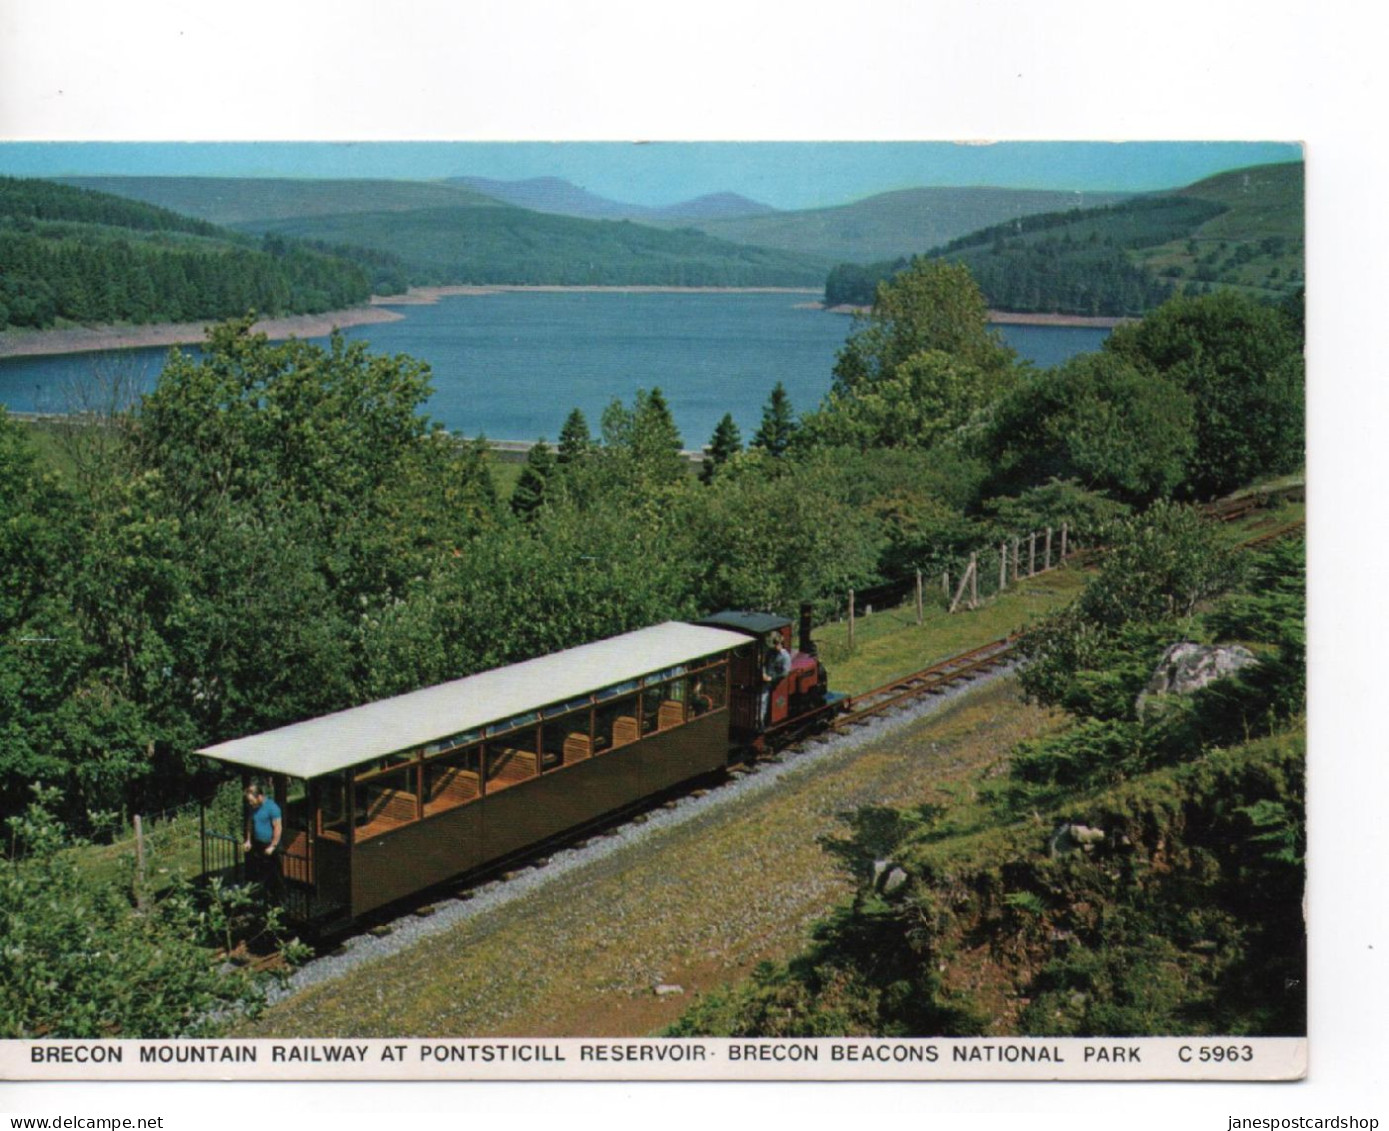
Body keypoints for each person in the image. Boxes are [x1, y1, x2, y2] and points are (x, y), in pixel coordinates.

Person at [242, 782, 284, 903]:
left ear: (259, 796)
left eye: (252, 800)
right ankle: (263, 897)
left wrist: (273, 846)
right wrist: (248, 840)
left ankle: (279, 900)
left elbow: (278, 828)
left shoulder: (272, 808)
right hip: (258, 843)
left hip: (270, 845)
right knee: (259, 872)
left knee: (275, 875)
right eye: (249, 801)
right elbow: (250, 823)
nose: (250, 803)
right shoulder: (253, 807)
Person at [760, 631, 792, 726]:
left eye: (777, 644)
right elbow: (765, 663)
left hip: (774, 681)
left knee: (763, 699)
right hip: (765, 678)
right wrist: (764, 673)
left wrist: (771, 678)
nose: (775, 646)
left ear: (781, 644)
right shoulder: (771, 652)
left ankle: (761, 721)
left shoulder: (785, 657)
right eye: (775, 644)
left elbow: (784, 673)